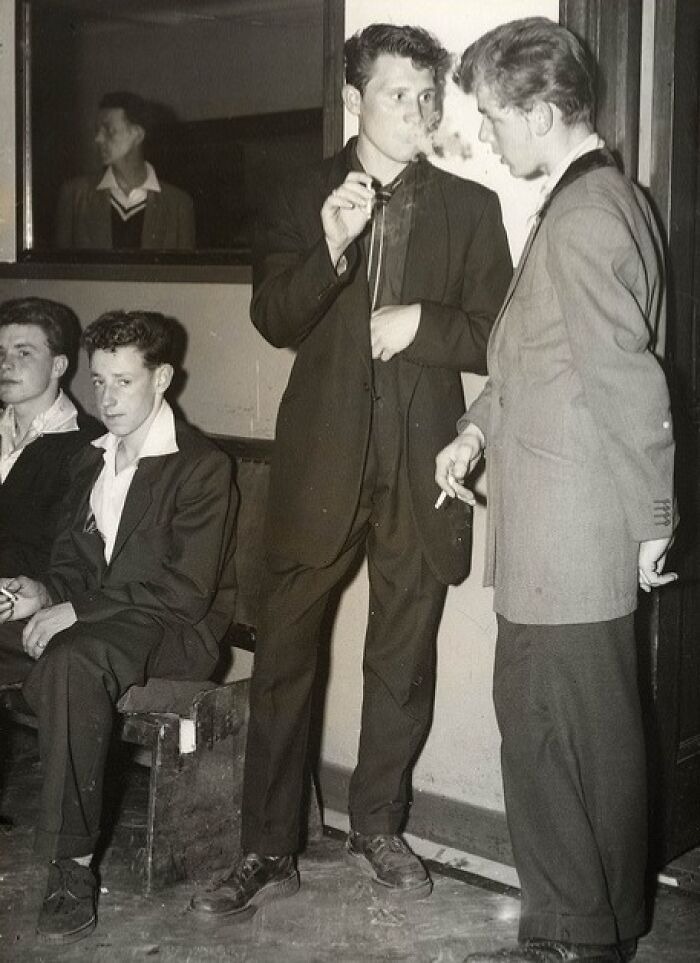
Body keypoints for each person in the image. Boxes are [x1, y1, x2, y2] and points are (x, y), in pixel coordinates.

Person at [190, 23, 512, 921]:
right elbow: (275, 320)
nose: (416, 110)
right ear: (354, 99)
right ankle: (267, 846)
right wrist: (330, 250)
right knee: (286, 656)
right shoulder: (299, 193)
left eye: (426, 94)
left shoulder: (471, 206)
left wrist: (425, 325)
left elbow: (499, 333)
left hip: (422, 469)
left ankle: (379, 824)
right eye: (397, 93)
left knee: (402, 659)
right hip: (320, 468)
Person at [435, 17, 676, 963]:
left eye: (494, 118)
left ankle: (578, 937)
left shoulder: (583, 215)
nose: (488, 137)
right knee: (570, 730)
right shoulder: (597, 198)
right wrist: (474, 427)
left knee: (557, 736)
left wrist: (654, 519)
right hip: (555, 525)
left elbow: (628, 378)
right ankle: (585, 924)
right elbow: (542, 359)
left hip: (572, 533)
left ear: (541, 113)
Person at [0, 310, 237, 945]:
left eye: (123, 382)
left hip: (170, 630)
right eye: (98, 381)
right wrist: (41, 594)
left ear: (162, 379)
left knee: (72, 661)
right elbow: (74, 566)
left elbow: (184, 592)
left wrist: (74, 610)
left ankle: (71, 868)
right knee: (55, 643)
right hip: (101, 621)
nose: (106, 398)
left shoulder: (199, 466)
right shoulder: (91, 459)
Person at [0, 297, 99, 578]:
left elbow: (64, 558)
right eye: (0, 352)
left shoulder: (89, 445)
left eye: (23, 353)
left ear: (58, 366)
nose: (6, 365)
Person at [55, 91, 195, 250]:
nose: (98, 139)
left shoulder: (178, 204)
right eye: (97, 131)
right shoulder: (74, 196)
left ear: (137, 134)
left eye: (108, 130)